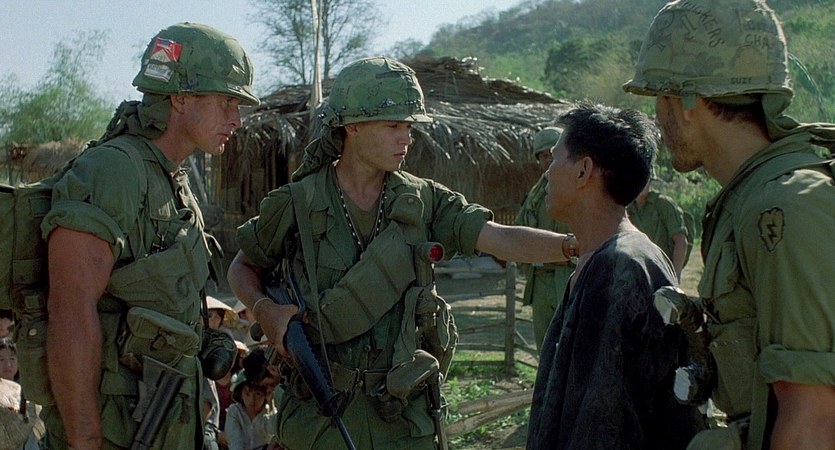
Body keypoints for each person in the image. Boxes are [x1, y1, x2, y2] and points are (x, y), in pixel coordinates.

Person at [227, 56, 576, 450]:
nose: (405, 138)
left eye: (409, 126)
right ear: (353, 126)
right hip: (320, 420)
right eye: (393, 125)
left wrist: (572, 246)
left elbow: (500, 238)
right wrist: (264, 310)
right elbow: (243, 266)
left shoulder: (423, 200)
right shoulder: (298, 202)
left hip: (402, 419)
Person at [623, 1, 835, 448]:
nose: (657, 117)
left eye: (659, 97)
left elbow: (814, 418)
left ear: (686, 103)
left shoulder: (783, 206)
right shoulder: (749, 198)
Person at [39, 22, 259, 449]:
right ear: (180, 97)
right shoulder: (113, 170)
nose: (236, 118)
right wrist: (86, 441)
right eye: (227, 101)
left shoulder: (173, 180)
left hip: (167, 425)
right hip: (115, 434)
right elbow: (69, 311)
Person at [526, 101, 706, 450]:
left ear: (583, 171)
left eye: (555, 158)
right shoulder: (615, 257)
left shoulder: (617, 269)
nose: (547, 172)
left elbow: (602, 425)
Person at [515, 127, 575, 350]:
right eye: (542, 156)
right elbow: (521, 229)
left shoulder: (581, 188)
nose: (547, 160)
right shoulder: (537, 194)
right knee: (545, 347)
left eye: (551, 154)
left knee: (571, 345)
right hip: (540, 277)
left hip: (569, 276)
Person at [627, 178, 690, 276]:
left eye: (645, 179)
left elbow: (681, 241)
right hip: (636, 272)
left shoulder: (663, 204)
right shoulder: (627, 208)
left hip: (662, 271)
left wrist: (675, 276)